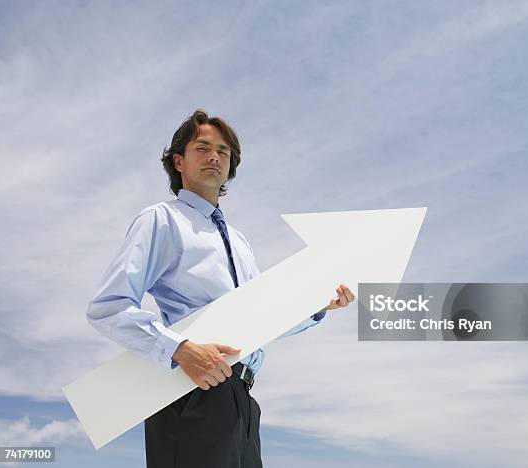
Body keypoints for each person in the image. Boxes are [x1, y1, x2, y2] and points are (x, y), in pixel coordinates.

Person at [86, 109, 355, 467]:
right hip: (191, 389)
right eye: (203, 147)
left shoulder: (240, 241)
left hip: (242, 398)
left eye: (224, 151)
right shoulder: (162, 219)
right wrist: (179, 349)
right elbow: (109, 307)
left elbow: (262, 319)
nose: (215, 156)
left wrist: (318, 306)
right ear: (178, 160)